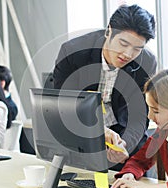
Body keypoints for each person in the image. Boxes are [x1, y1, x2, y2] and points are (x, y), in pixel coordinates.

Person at [53, 4, 157, 168]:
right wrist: (97, 131)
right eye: (123, 43)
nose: (128, 54)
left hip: (121, 132)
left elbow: (138, 116)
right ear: (109, 31)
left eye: (137, 49)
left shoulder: (147, 62)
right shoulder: (73, 52)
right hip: (80, 132)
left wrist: (125, 144)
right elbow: (63, 105)